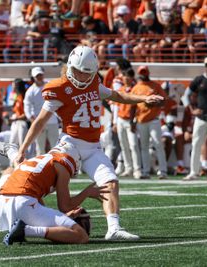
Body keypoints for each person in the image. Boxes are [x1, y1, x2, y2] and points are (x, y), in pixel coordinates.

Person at [14, 46, 164, 240]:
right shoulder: (58, 87)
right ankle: (29, 218)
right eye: (79, 72)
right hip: (70, 145)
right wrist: (23, 149)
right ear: (70, 66)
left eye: (87, 73)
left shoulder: (94, 81)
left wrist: (144, 98)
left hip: (93, 147)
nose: (83, 77)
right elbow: (40, 121)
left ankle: (114, 229)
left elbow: (117, 96)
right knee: (49, 185)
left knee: (110, 182)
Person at [0, 141, 109, 244]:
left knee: (10, 171)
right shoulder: (63, 164)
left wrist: (54, 218)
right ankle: (25, 230)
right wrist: (87, 192)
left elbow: (35, 196)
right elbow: (65, 206)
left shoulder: (39, 160)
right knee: (81, 236)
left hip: (0, 205)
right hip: (22, 204)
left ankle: (11, 152)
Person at [130, 66, 168, 179]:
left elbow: (164, 101)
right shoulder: (136, 88)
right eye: (141, 72)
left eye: (145, 72)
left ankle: (163, 171)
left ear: (148, 73)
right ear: (139, 74)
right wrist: (132, 121)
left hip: (154, 120)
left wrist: (154, 104)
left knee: (158, 144)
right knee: (144, 146)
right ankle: (145, 171)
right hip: (141, 120)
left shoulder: (156, 86)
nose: (143, 74)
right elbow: (132, 106)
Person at [113, 68, 142, 179]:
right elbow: (116, 106)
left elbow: (138, 108)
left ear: (132, 77)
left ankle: (137, 169)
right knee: (124, 146)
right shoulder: (120, 89)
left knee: (133, 145)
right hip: (120, 119)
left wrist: (134, 121)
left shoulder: (135, 89)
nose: (125, 78)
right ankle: (128, 168)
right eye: (124, 76)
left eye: (127, 76)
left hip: (130, 120)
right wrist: (114, 122)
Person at [24, 67, 59, 155]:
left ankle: (56, 167)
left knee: (56, 146)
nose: (40, 77)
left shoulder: (50, 85)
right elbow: (27, 108)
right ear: (33, 77)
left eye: (41, 75)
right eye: (37, 75)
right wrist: (35, 123)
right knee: (40, 148)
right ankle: (41, 168)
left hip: (52, 121)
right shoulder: (30, 91)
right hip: (39, 121)